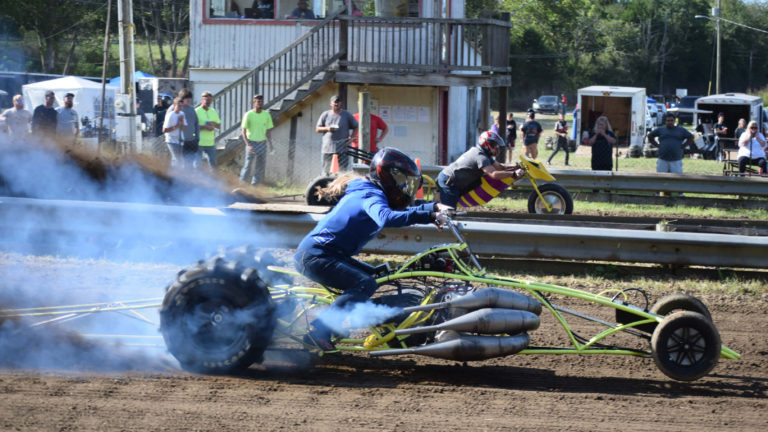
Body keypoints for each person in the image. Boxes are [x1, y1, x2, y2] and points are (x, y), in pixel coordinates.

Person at [294, 147, 453, 350]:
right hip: (315, 256)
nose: (405, 186)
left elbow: (399, 210)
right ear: (386, 177)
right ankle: (320, 330)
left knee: (380, 276)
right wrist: (428, 216)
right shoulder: (371, 195)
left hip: (328, 254)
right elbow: (387, 217)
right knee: (365, 283)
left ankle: (370, 320)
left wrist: (433, 208)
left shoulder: (371, 191)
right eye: (401, 180)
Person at [436, 131, 523, 208]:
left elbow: (500, 167)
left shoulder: (483, 153)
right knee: (448, 212)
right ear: (486, 144)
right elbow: (494, 174)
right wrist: (514, 174)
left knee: (448, 211)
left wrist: (517, 165)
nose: (496, 147)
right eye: (494, 145)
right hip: (448, 181)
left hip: (451, 179)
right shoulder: (481, 157)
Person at [316, 95, 358, 175]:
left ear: (341, 103)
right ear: (330, 103)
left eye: (338, 102)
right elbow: (317, 129)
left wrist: (351, 139)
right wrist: (328, 129)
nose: (336, 103)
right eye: (335, 102)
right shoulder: (325, 114)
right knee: (326, 173)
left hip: (343, 149)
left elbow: (356, 126)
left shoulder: (346, 114)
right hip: (327, 149)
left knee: (342, 173)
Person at [240, 94, 274, 184]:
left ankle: (254, 186)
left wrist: (271, 144)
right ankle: (242, 185)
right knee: (248, 165)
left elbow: (268, 131)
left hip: (262, 143)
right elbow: (243, 131)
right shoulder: (248, 114)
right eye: (258, 101)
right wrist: (248, 145)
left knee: (260, 167)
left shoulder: (266, 115)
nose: (260, 103)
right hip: (251, 143)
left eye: (261, 101)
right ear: (254, 103)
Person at [195, 90, 221, 168]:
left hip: (210, 143)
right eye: (206, 100)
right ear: (202, 100)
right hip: (199, 143)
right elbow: (192, 127)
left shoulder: (213, 111)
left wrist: (213, 123)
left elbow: (219, 125)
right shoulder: (196, 111)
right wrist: (205, 127)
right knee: (197, 165)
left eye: (210, 100)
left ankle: (213, 179)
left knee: (213, 165)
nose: (208, 102)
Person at [178, 89, 200, 168]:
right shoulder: (177, 108)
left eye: (190, 98)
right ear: (182, 98)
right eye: (186, 98)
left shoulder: (191, 109)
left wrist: (197, 138)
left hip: (191, 140)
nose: (188, 100)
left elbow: (196, 123)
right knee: (181, 163)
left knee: (191, 163)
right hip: (180, 142)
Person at [162, 97, 187, 167]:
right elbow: (164, 130)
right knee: (177, 159)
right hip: (171, 140)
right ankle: (175, 174)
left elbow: (184, 129)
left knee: (179, 159)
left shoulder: (182, 114)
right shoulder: (170, 115)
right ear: (174, 105)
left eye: (182, 106)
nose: (181, 108)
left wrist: (181, 122)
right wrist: (176, 126)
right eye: (179, 106)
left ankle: (175, 173)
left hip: (180, 140)